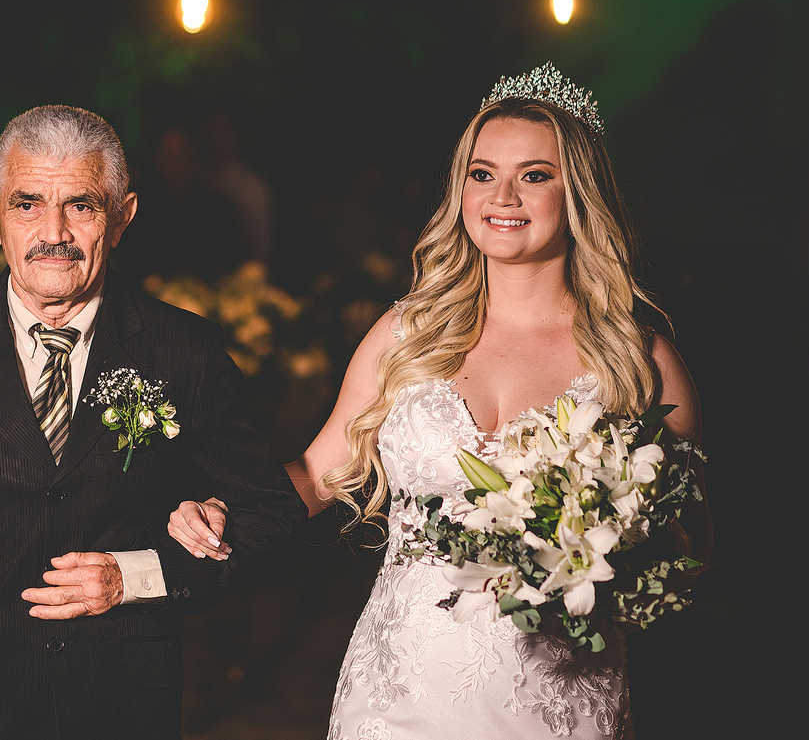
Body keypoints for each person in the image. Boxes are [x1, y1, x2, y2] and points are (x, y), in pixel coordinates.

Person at [168, 64, 712, 739]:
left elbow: (686, 544)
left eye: (534, 175)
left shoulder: (637, 362)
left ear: (578, 192)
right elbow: (319, 472)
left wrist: (597, 556)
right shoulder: (408, 334)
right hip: (400, 689)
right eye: (483, 174)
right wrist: (226, 506)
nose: (502, 196)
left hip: (557, 698)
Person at [0, 105, 304, 739]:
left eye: (81, 206)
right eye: (28, 204)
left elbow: (272, 514)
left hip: (121, 709)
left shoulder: (181, 350)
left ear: (121, 219)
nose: (53, 233)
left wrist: (139, 576)